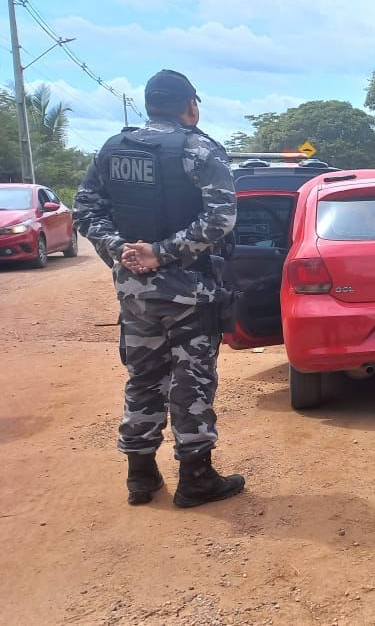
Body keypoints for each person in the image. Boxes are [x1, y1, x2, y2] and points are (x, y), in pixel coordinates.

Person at [74, 70, 246, 508]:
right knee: (192, 380)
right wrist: (161, 253)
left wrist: (121, 250)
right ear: (191, 105)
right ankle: (196, 480)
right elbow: (221, 220)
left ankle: (140, 476)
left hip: (135, 293)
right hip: (189, 292)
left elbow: (86, 210)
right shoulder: (199, 149)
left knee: (144, 377)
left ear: (150, 105)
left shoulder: (113, 150)